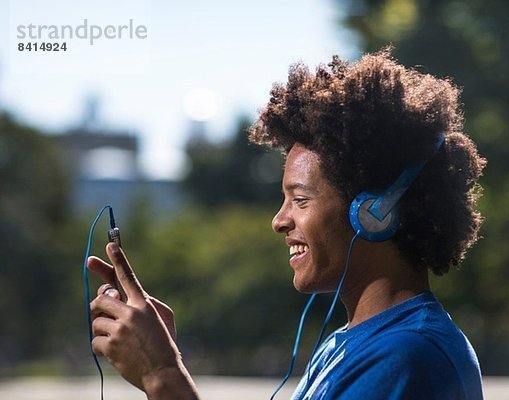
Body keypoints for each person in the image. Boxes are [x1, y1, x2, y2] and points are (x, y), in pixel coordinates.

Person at [89, 48, 486, 399]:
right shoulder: (350, 345)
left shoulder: (407, 356)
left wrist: (163, 376)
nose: (279, 221)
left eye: (300, 200)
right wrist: (165, 361)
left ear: (374, 213)